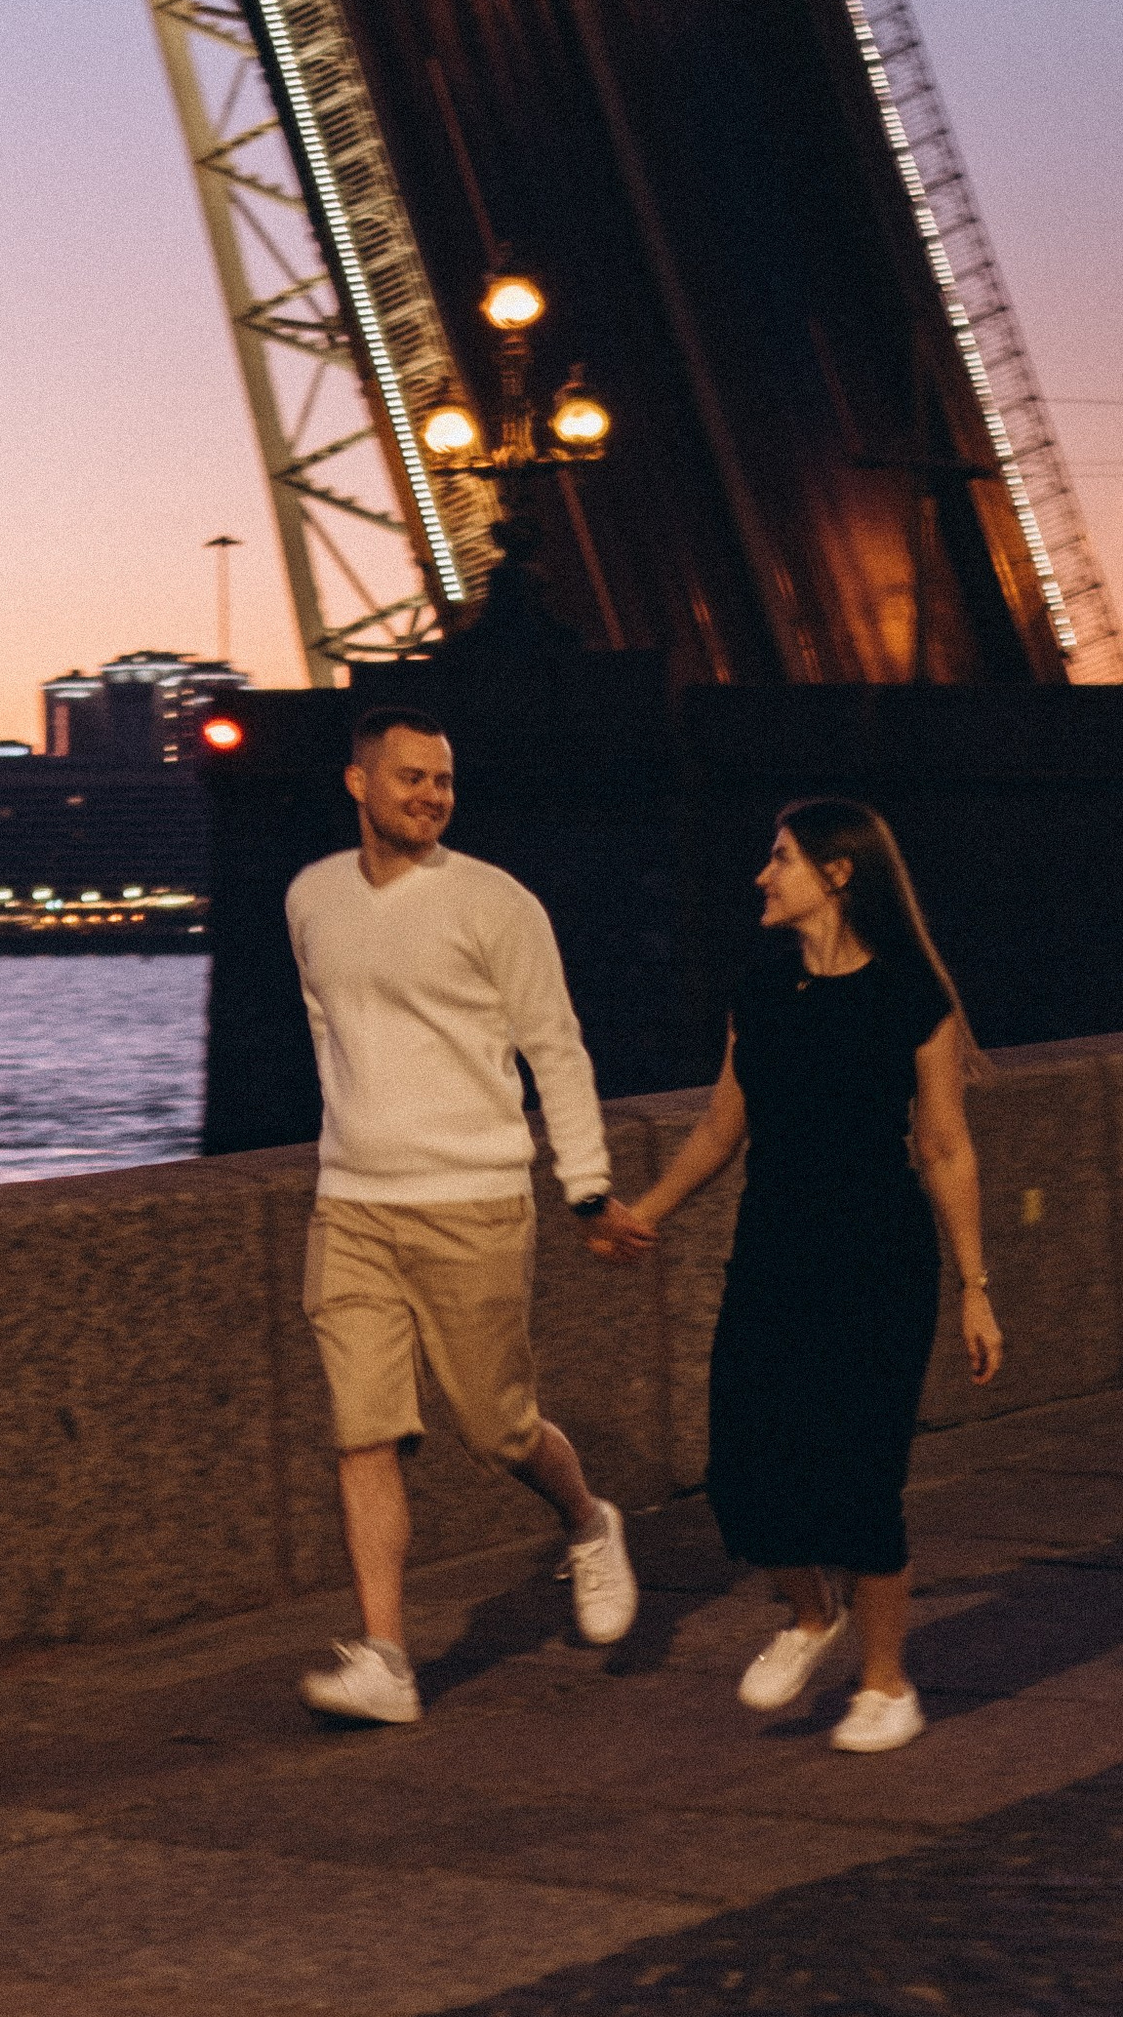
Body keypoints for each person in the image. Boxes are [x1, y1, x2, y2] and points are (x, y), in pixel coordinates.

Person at [607, 798, 1000, 1750]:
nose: (761, 875)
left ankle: (885, 1684)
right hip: (774, 1254)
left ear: (836, 874)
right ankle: (811, 1614)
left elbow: (945, 1148)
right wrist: (645, 1213)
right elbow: (719, 1126)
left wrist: (975, 1287)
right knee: (742, 1465)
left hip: (877, 1259)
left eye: (779, 859)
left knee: (862, 1476)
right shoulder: (762, 986)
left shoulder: (911, 995)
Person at [286, 702, 645, 1726]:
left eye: (441, 780)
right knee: (363, 1434)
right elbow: (334, 1036)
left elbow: (555, 1049)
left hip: (472, 1200)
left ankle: (586, 1521)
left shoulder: (497, 904)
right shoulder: (309, 897)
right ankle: (386, 1659)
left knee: (499, 1428)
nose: (430, 796)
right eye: (409, 778)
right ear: (360, 784)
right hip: (350, 1202)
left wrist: (583, 1184)